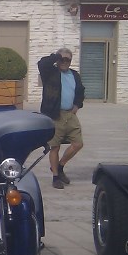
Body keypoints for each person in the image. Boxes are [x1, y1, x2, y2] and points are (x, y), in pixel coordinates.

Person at [38, 48, 84, 190]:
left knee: (78, 144)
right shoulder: (50, 72)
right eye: (61, 59)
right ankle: (56, 177)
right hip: (55, 114)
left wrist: (77, 105)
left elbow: (81, 91)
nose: (64, 62)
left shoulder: (74, 75)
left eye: (67, 60)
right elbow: (42, 63)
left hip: (70, 114)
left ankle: (60, 166)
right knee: (55, 147)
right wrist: (57, 56)